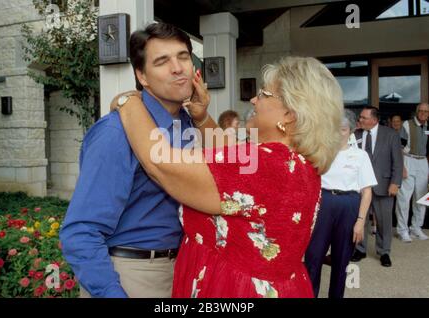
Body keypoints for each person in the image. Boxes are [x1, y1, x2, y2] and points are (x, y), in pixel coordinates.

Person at [112, 56, 344, 297]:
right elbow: (232, 167)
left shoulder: (265, 166)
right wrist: (202, 118)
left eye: (264, 94)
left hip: (230, 291)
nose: (254, 99)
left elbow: (160, 164)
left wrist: (128, 102)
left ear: (290, 114)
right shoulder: (296, 163)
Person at [59, 23, 209, 298]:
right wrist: (110, 292)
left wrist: (202, 120)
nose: (178, 68)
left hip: (183, 269)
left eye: (183, 56)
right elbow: (81, 230)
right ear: (142, 76)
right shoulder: (116, 133)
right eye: (162, 61)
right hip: (133, 274)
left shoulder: (188, 125)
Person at [305, 109, 377, 298]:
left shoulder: (360, 156)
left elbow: (367, 191)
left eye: (343, 130)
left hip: (349, 204)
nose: (338, 134)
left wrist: (360, 221)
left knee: (341, 259)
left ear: (351, 131)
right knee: (314, 255)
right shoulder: (320, 153)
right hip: (324, 202)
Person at [351, 106, 403, 267]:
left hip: (384, 185)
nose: (360, 120)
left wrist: (396, 182)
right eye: (360, 117)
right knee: (361, 220)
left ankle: (384, 252)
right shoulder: (355, 135)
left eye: (363, 118)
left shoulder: (391, 135)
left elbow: (398, 161)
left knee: (384, 222)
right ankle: (360, 249)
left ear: (374, 120)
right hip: (360, 186)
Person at [395, 103, 429, 242]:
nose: (423, 113)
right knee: (404, 197)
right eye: (420, 111)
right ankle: (402, 230)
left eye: (426, 111)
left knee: (422, 197)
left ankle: (416, 228)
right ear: (416, 112)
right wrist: (402, 167)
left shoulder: (428, 127)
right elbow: (399, 147)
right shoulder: (407, 125)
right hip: (408, 160)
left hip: (423, 162)